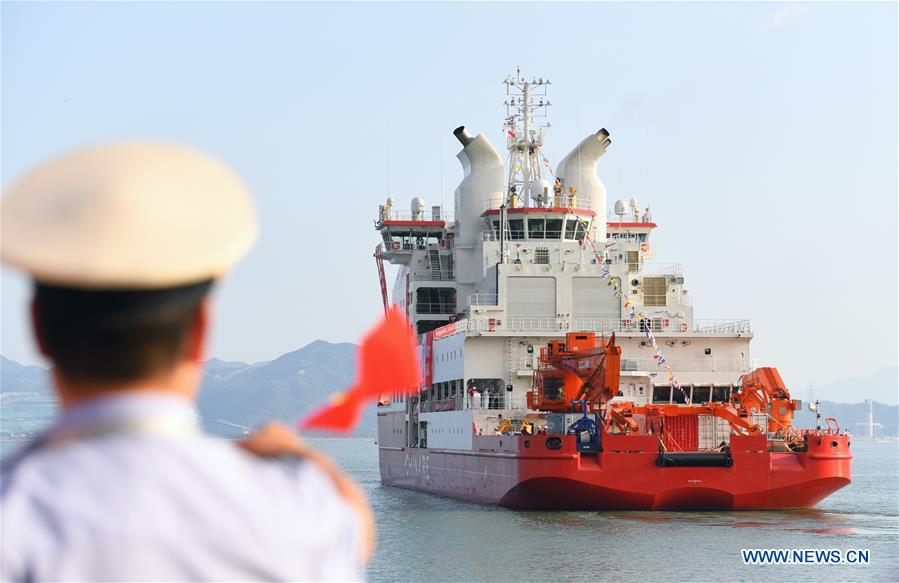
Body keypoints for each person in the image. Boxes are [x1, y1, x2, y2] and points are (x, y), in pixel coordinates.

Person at [0, 143, 373, 581]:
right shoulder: (295, 514)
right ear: (200, 330)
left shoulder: (14, 513)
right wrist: (304, 460)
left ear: (38, 328)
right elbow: (353, 527)